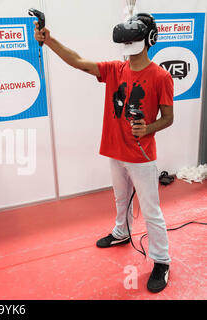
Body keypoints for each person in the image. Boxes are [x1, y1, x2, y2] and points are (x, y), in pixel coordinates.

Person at [34, 13, 174, 293]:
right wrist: (48, 40)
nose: (130, 47)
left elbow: (168, 117)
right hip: (115, 150)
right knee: (120, 198)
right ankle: (121, 233)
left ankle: (162, 261)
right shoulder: (115, 69)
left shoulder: (161, 76)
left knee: (151, 211)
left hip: (141, 156)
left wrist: (147, 128)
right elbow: (77, 61)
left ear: (149, 40)